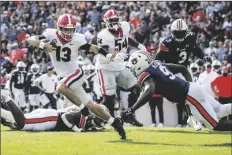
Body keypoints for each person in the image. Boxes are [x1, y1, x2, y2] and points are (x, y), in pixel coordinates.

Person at [27, 13, 126, 139]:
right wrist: (42, 45)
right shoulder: (50, 34)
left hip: (76, 74)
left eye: (71, 29)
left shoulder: (78, 38)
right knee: (92, 105)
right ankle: (116, 123)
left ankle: (83, 110)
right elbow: (30, 39)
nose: (68, 32)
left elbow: (92, 48)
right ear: (59, 27)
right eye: (65, 29)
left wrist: (106, 55)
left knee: (60, 88)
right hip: (65, 77)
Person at [122, 51, 232, 131]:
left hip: (190, 94)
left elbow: (149, 90)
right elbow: (182, 68)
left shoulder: (147, 74)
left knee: (215, 125)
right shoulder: (157, 64)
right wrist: (191, 84)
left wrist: (132, 109)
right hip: (193, 88)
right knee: (221, 110)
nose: (133, 69)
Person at [155, 19, 211, 127]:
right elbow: (157, 60)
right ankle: (190, 119)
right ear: (172, 32)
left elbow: (196, 49)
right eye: (177, 33)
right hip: (171, 72)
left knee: (191, 96)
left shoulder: (190, 37)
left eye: (182, 33)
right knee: (185, 96)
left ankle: (192, 119)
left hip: (184, 70)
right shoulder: (166, 42)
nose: (180, 35)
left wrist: (204, 56)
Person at [96, 9, 145, 126]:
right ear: (106, 22)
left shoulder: (125, 26)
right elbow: (102, 57)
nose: (114, 23)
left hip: (120, 66)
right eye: (111, 21)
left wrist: (138, 45)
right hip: (105, 67)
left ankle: (128, 115)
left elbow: (126, 40)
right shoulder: (103, 36)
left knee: (136, 88)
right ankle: (108, 122)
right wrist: (116, 56)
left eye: (115, 20)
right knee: (109, 99)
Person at [0, 95, 106, 132]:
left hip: (50, 116)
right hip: (52, 119)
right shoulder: (84, 113)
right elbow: (65, 117)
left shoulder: (84, 113)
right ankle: (6, 97)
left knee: (16, 122)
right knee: (23, 123)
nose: (100, 120)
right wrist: (76, 129)